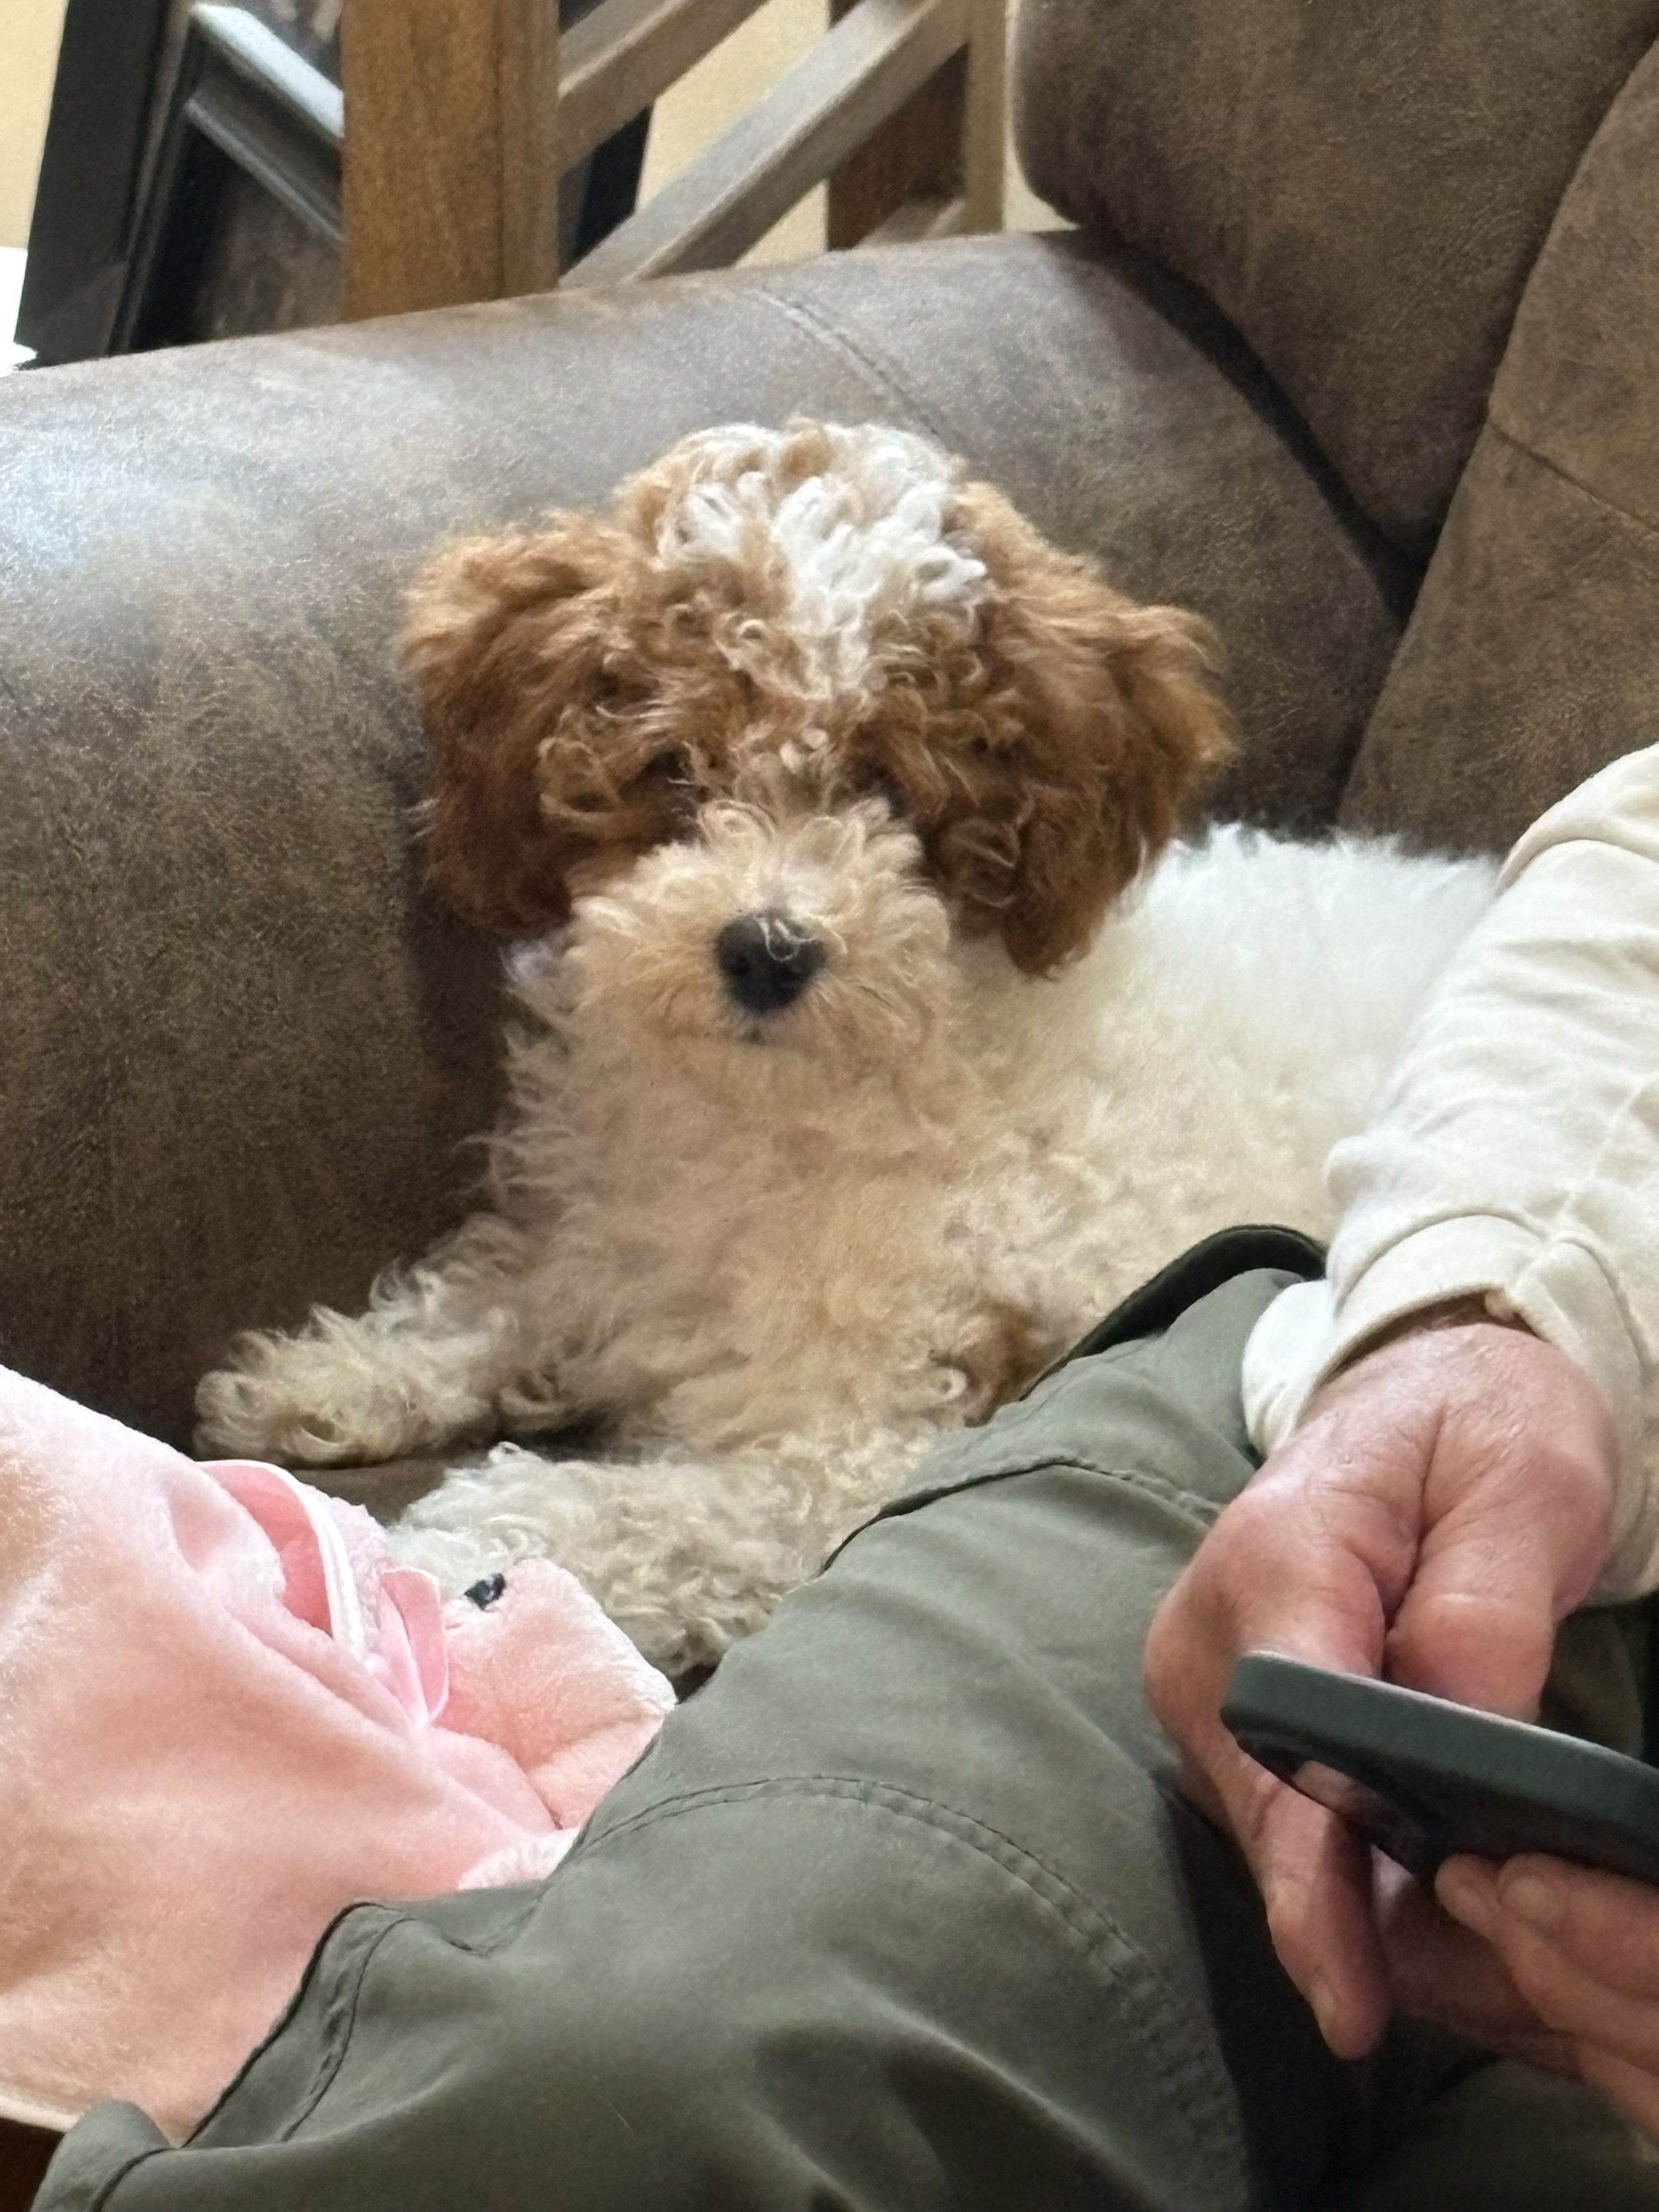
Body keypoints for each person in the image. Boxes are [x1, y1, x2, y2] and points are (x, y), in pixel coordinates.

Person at [33, 748, 1659, 2210]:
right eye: (692, 790)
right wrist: (1490, 1307)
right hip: (1432, 1408)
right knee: (626, 2099)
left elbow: (832, 1452)